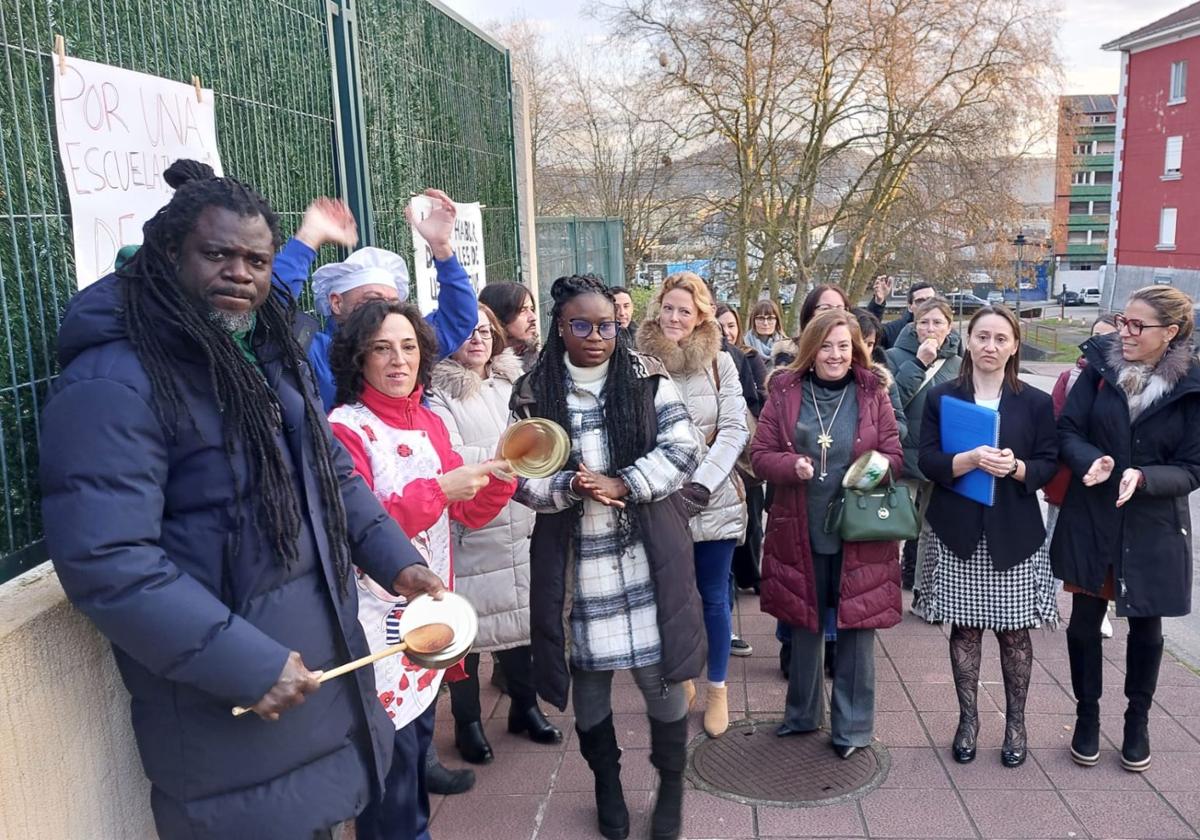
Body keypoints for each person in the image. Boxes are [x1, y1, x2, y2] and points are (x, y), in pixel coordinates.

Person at [39, 160, 446, 839]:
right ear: (168, 255)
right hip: (228, 714)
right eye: (218, 254)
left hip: (312, 700)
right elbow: (107, 560)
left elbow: (331, 477)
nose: (241, 274)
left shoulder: (261, 358)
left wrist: (396, 562)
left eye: (257, 260)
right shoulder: (112, 383)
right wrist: (248, 666)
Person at [511, 275, 702, 840]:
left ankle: (670, 787)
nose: (596, 336)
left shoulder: (647, 379)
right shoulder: (531, 390)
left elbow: (684, 447)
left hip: (647, 558)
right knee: (589, 688)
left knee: (662, 685)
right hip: (577, 567)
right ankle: (607, 785)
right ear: (559, 327)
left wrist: (626, 483)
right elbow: (520, 478)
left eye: (607, 325)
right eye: (581, 325)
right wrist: (568, 485)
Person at [328, 300, 517, 839]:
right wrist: (439, 490)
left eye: (408, 346)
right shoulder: (345, 429)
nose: (397, 360)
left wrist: (502, 472)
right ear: (358, 357)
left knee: (414, 751)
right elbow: (356, 527)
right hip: (373, 626)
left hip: (430, 618)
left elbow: (469, 513)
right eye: (382, 348)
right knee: (387, 773)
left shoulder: (432, 421)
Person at [1053, 285, 1200, 773]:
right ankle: (1087, 718)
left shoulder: (1191, 386)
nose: (1124, 332)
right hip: (1093, 513)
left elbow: (1193, 467)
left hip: (1153, 523)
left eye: (1137, 325)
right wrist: (1091, 460)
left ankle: (1138, 722)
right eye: (1122, 321)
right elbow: (1068, 430)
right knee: (1082, 624)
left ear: (1171, 333)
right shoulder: (1098, 368)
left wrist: (1145, 477)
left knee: (1146, 630)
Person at [750, 309, 904, 759]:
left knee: (856, 628)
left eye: (843, 346)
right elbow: (760, 455)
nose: (834, 355)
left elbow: (895, 456)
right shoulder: (784, 390)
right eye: (826, 346)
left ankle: (852, 729)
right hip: (799, 526)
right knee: (804, 624)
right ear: (810, 348)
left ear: (855, 348)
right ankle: (801, 716)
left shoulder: (872, 391)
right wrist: (789, 465)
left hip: (860, 531)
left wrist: (864, 472)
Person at [918, 305, 1059, 768]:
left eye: (1000, 338)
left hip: (1013, 533)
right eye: (982, 337)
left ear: (1015, 345)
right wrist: (968, 461)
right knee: (965, 631)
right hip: (959, 530)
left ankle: (1016, 723)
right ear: (968, 341)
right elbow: (927, 460)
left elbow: (1048, 462)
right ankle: (968, 720)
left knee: (1015, 634)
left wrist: (1016, 468)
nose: (990, 347)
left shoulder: (1035, 402)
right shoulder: (943, 398)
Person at [426, 305, 563, 766]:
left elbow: (542, 435)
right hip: (472, 528)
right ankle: (467, 722)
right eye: (467, 332)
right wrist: (516, 451)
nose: (477, 339)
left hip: (517, 519)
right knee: (467, 635)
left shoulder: (512, 382)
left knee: (518, 625)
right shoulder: (437, 391)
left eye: (484, 331)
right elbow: (450, 453)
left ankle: (525, 707)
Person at [637, 272, 749, 737]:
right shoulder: (639, 363)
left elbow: (734, 429)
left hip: (713, 498)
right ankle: (680, 674)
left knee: (715, 598)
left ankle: (718, 687)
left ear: (702, 314)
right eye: (669, 308)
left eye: (686, 310)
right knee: (669, 597)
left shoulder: (721, 364)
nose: (676, 317)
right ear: (657, 311)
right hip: (660, 499)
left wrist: (701, 485)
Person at [273, 190, 478, 411]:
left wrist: (441, 247)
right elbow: (271, 308)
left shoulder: (411, 343)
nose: (384, 312)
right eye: (372, 300)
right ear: (336, 303)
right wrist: (309, 238)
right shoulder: (316, 353)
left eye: (393, 303)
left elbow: (460, 317)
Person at [1043, 315, 1119, 640]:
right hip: (1068, 476)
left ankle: (1101, 611)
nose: (1100, 344)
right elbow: (1058, 420)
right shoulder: (1071, 376)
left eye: (1108, 337)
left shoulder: (1118, 380)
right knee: (1054, 541)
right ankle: (1044, 602)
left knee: (1102, 553)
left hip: (1106, 483)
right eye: (1095, 337)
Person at [886, 297, 963, 603]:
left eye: (937, 322)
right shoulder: (892, 357)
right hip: (905, 456)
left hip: (940, 459)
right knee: (892, 528)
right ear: (914, 324)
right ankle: (884, 592)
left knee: (932, 533)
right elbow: (892, 404)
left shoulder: (959, 363)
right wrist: (918, 363)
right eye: (924, 322)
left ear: (949, 326)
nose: (930, 329)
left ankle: (924, 594)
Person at [716, 304, 766, 645]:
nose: (726, 331)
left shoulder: (741, 358)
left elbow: (753, 402)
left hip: (740, 462)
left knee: (746, 529)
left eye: (731, 325)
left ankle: (750, 577)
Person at [770, 284, 852, 369]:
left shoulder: (855, 352)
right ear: (810, 313)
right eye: (825, 308)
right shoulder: (788, 352)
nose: (833, 314)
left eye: (840, 308)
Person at [479, 280, 540, 370]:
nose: (533, 317)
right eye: (523, 310)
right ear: (499, 316)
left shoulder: (544, 363)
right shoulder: (481, 370)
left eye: (532, 309)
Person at [867, 275, 937, 350]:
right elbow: (868, 336)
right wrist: (878, 303)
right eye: (920, 301)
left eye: (930, 300)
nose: (926, 305)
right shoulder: (894, 331)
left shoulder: (947, 330)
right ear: (910, 307)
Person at [745, 299, 787, 363]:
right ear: (753, 321)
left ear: (777, 321)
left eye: (770, 318)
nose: (765, 323)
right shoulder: (743, 346)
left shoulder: (787, 348)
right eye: (760, 318)